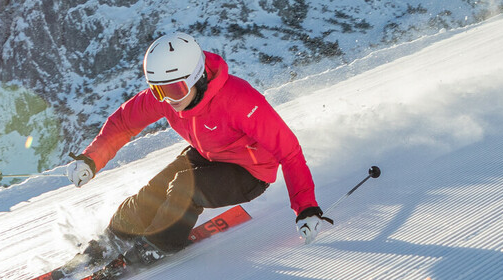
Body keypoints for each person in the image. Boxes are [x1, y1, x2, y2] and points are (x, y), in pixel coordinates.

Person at [66, 32, 331, 265]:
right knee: (156, 189)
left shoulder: (239, 100)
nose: (169, 99)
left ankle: (159, 245)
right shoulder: (167, 96)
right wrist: (91, 159)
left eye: (176, 90)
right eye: (159, 91)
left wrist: (306, 207)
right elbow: (124, 122)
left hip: (251, 172)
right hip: (209, 154)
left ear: (198, 78)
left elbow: (289, 151)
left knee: (185, 187)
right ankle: (114, 237)